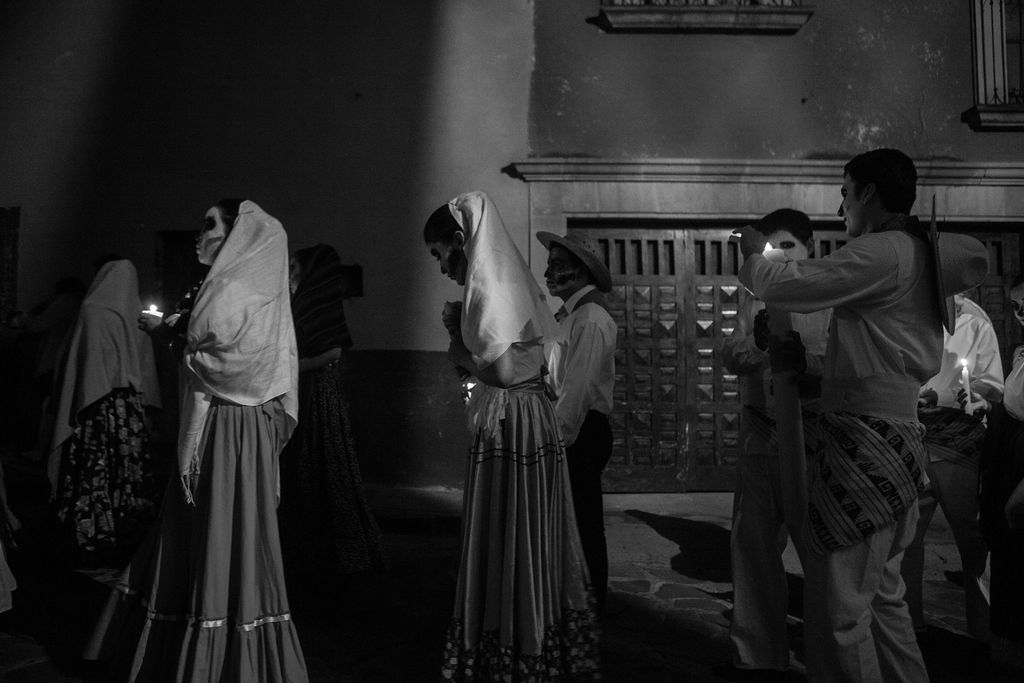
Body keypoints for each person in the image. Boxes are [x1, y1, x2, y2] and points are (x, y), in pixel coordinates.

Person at [733, 148, 989, 681]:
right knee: (884, 600)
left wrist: (754, 255)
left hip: (864, 442)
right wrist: (809, 371)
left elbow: (783, 285)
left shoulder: (884, 251)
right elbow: (872, 359)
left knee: (840, 607)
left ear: (869, 192)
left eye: (845, 192)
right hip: (891, 434)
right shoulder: (909, 254)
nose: (841, 205)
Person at [85, 200, 308, 682]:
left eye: (211, 225)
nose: (199, 234)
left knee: (218, 525)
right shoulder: (254, 290)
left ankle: (214, 646)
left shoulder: (234, 288)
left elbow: (222, 360)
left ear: (237, 236)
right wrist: (181, 336)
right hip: (243, 425)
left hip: (227, 425)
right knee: (218, 526)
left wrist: (174, 336)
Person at [424, 191, 600, 680]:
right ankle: (530, 634)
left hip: (513, 424)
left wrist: (457, 348)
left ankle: (513, 638)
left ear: (460, 240)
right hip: (527, 418)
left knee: (511, 531)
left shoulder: (493, 286)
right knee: (526, 532)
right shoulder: (508, 281)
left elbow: (501, 372)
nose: (441, 267)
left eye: (440, 254)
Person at [721, 209, 830, 676]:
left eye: (788, 246)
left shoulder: (828, 295)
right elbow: (733, 355)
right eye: (771, 248)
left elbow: (839, 363)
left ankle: (827, 655)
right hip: (760, 439)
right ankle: (758, 656)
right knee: (754, 551)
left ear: (809, 248)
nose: (780, 256)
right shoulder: (753, 296)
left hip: (812, 443)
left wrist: (805, 364)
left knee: (822, 556)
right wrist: (759, 345)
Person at [278, 243, 386, 585]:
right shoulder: (298, 301)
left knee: (324, 464)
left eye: (294, 268)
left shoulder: (318, 303)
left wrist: (293, 367)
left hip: (319, 394)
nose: (289, 274)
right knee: (302, 469)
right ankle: (306, 553)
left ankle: (334, 556)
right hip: (303, 389)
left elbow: (333, 351)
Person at [47, 259, 162, 564]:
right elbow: (145, 367)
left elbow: (78, 365)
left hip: (96, 403)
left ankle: (95, 524)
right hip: (126, 407)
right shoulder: (137, 315)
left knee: (95, 462)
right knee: (126, 462)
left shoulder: (93, 310)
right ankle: (126, 521)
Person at [903, 293, 1002, 646]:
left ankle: (983, 629)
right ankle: (908, 627)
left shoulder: (974, 322)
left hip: (958, 443)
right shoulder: (906, 309)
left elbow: (990, 384)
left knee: (971, 537)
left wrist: (963, 396)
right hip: (912, 436)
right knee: (906, 537)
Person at [536, 230, 617, 614]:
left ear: (582, 270)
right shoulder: (570, 317)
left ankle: (588, 608)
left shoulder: (590, 318)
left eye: (557, 265)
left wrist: (554, 440)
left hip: (580, 432)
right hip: (570, 430)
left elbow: (578, 390)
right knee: (570, 522)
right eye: (550, 264)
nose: (548, 273)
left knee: (584, 524)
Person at [980, 273, 1024, 670]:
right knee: (1007, 559)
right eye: (1017, 307)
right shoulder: (1019, 352)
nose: (1022, 315)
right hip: (1009, 455)